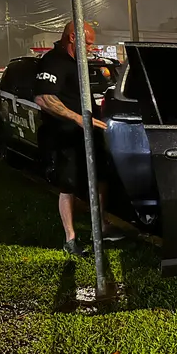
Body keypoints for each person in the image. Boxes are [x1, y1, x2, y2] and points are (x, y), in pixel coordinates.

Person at [33, 20, 125, 256]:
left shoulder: (78, 63)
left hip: (87, 131)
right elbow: (44, 98)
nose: (92, 48)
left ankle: (102, 227)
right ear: (73, 37)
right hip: (64, 135)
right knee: (69, 186)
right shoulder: (53, 61)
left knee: (101, 177)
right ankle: (71, 239)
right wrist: (77, 119)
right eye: (89, 43)